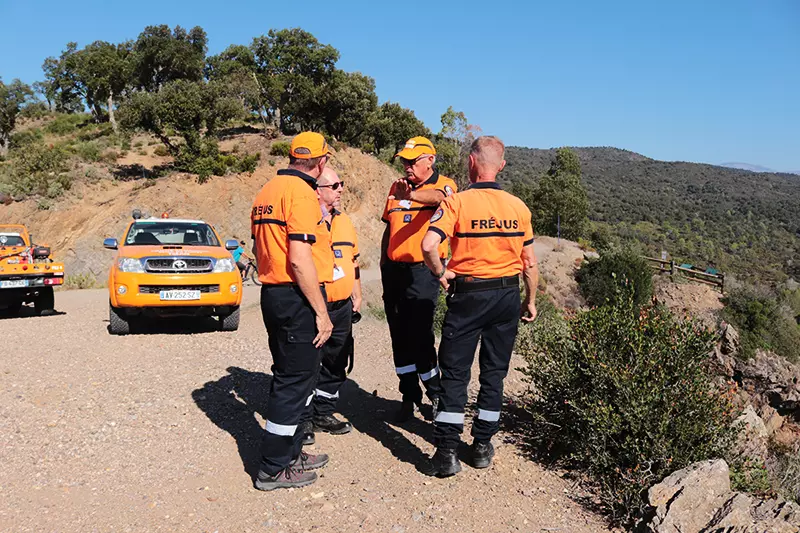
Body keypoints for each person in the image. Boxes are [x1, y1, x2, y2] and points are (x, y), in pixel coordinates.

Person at [420, 136, 538, 477]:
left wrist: (441, 272)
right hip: (506, 296)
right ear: (500, 166)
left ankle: (446, 453)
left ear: (471, 163)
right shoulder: (519, 207)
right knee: (494, 373)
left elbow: (430, 245)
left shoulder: (457, 203)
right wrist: (529, 300)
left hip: (469, 294)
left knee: (456, 373)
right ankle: (483, 446)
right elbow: (529, 263)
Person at [250, 131, 335, 491]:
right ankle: (273, 466)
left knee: (295, 376)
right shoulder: (302, 194)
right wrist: (322, 311)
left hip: (274, 293)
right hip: (296, 296)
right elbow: (300, 260)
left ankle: (292, 451)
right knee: (294, 382)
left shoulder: (266, 191)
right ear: (321, 161)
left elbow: (258, 247)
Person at [380, 136, 457, 422]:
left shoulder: (444, 184)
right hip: (394, 272)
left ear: (430, 160)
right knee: (398, 336)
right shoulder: (396, 187)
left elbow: (442, 199)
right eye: (404, 161)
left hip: (423, 272)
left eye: (413, 161)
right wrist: (383, 261)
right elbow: (388, 229)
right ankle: (408, 395)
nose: (407, 166)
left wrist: (410, 196)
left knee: (421, 334)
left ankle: (435, 394)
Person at [299, 166, 363, 445]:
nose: (340, 190)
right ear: (318, 189)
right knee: (309, 362)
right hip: (316, 305)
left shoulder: (345, 222)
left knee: (337, 360)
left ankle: (322, 412)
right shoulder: (306, 220)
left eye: (341, 184)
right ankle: (301, 420)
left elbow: (354, 262)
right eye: (334, 186)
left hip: (342, 306)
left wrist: (357, 294)